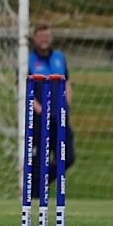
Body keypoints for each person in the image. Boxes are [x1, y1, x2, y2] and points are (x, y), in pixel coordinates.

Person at [28, 23, 75, 194]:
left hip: (60, 116)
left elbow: (67, 82)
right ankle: (34, 190)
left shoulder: (59, 57)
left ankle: (39, 184)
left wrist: (67, 103)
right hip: (40, 119)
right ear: (34, 38)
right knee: (40, 158)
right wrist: (38, 108)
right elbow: (24, 87)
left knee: (67, 157)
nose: (44, 40)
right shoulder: (28, 59)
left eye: (47, 36)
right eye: (41, 36)